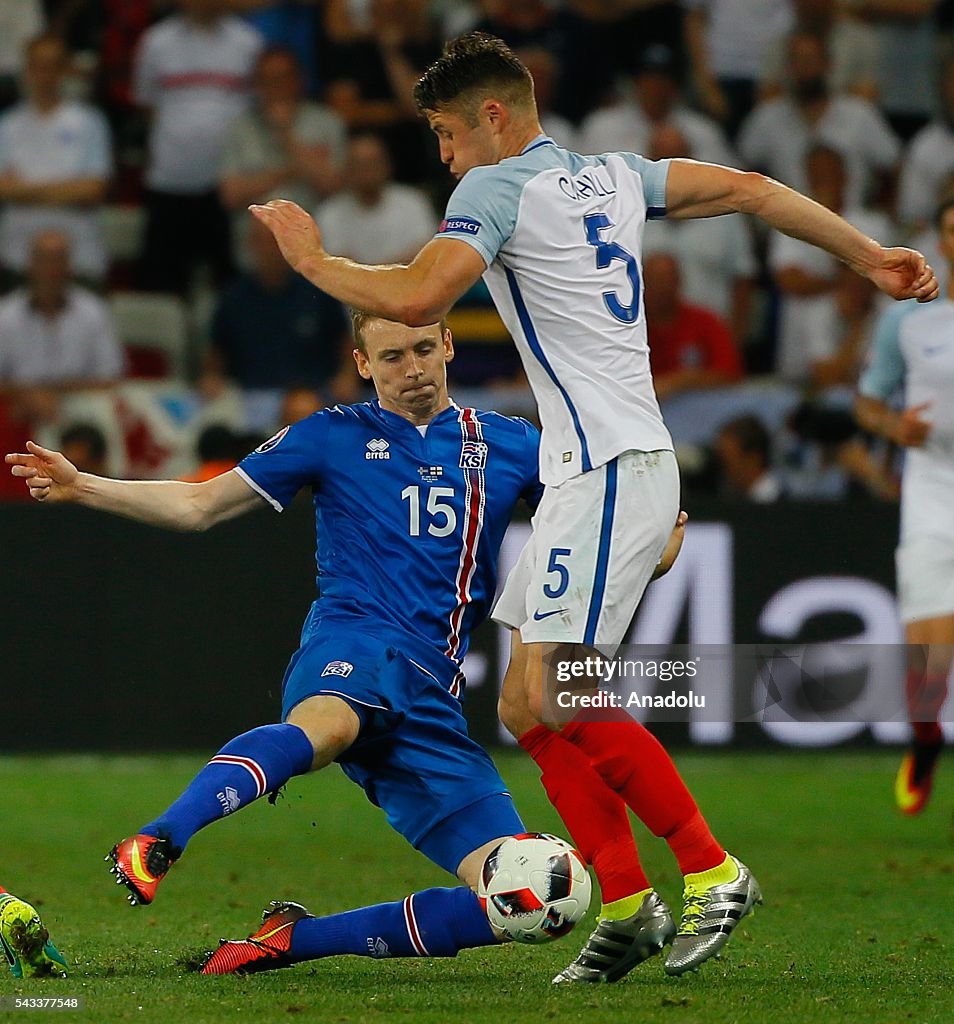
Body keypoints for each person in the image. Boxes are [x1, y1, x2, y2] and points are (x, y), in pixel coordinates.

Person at [248, 31, 936, 981]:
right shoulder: (613, 174)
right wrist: (867, 255)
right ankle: (624, 899)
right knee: (529, 704)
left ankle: (712, 871)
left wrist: (312, 257)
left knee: (562, 685)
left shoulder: (492, 189)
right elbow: (747, 188)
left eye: (447, 135)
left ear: (493, 117)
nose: (445, 158)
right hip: (599, 468)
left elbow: (417, 295)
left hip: (609, 464)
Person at [8, 312, 683, 976]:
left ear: (449, 344)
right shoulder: (330, 435)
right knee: (326, 727)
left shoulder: (513, 444)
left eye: (423, 348)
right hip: (357, 642)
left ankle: (292, 940)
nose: (412, 368)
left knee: (525, 901)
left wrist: (651, 549)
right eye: (391, 356)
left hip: (433, 699)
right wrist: (82, 486)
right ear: (362, 364)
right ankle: (159, 837)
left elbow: (592, 533)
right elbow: (199, 505)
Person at [854, 196, 954, 816]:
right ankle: (925, 740)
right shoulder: (910, 320)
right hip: (933, 488)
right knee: (931, 658)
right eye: (950, 231)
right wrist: (896, 430)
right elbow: (868, 401)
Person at [0, 33, 113, 283]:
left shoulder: (89, 122)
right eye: (38, 67)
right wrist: (67, 189)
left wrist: (23, 190)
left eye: (53, 67)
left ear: (65, 71)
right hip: (18, 256)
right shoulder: (7, 125)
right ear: (27, 70)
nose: (45, 76)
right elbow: (2, 190)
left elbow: (92, 190)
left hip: (79, 257)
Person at [0, 885, 68, 978]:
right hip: (24, 908)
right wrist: (64, 969)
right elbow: (48, 945)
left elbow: (13, 960)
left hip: (10, 913)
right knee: (44, 944)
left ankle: (38, 962)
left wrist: (20, 976)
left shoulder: (6, 928)